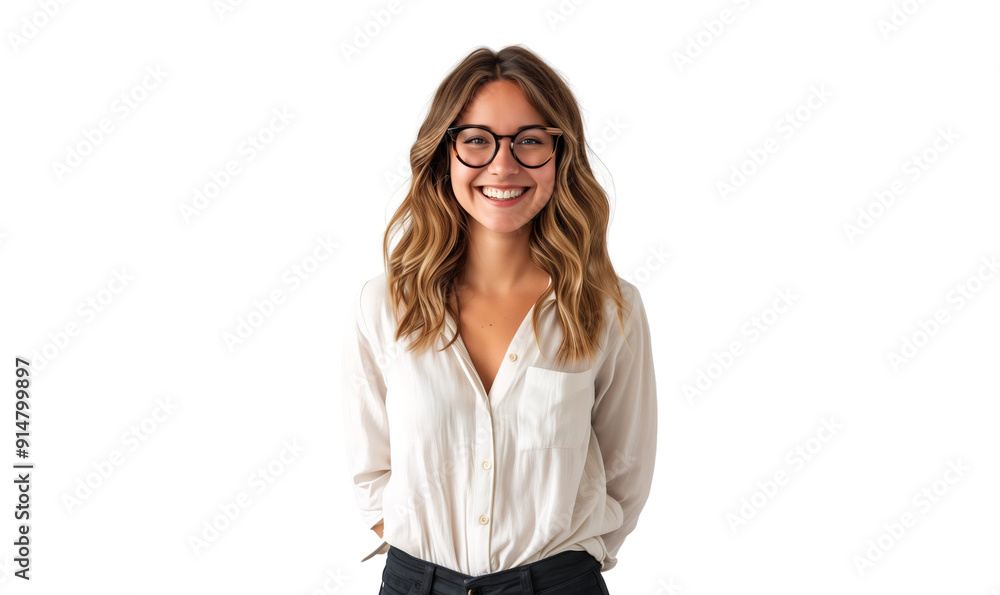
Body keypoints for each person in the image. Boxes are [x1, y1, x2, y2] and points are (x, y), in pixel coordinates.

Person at [342, 44, 657, 595]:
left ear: (562, 154)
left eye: (530, 141)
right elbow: (371, 470)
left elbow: (627, 473)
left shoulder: (609, 307)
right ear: (445, 152)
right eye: (477, 140)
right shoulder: (385, 305)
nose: (504, 165)